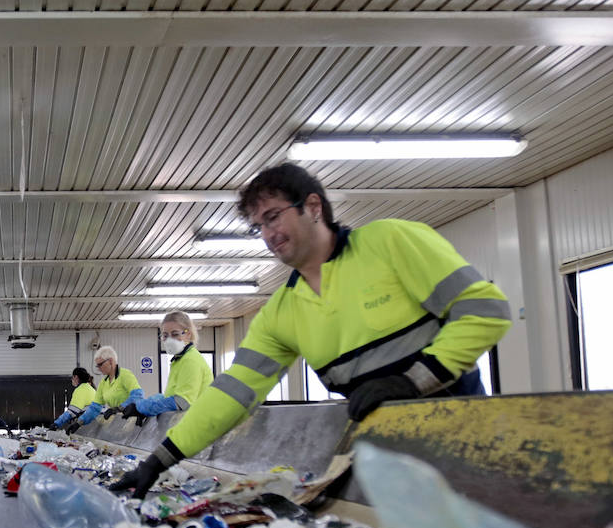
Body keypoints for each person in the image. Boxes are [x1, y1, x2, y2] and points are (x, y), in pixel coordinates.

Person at [112, 162, 511, 498]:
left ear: (313, 207)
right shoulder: (283, 312)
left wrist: (414, 380)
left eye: (273, 217)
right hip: (392, 467)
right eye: (258, 226)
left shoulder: (390, 242)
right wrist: (158, 462)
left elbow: (484, 310)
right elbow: (231, 395)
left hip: (468, 447)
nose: (267, 234)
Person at [121, 311, 212, 424]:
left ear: (188, 334)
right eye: (165, 335)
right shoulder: (179, 360)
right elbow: (169, 396)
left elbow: (181, 402)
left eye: (175, 334)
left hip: (198, 425)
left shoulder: (190, 360)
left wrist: (142, 408)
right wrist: (141, 405)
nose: (169, 340)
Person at [67, 346, 143, 432]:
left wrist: (119, 408)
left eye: (100, 365)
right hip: (119, 423)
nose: (99, 369)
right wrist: (79, 423)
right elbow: (95, 408)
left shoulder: (125, 375)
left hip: (133, 423)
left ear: (111, 361)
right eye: (97, 366)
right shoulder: (103, 383)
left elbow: (137, 395)